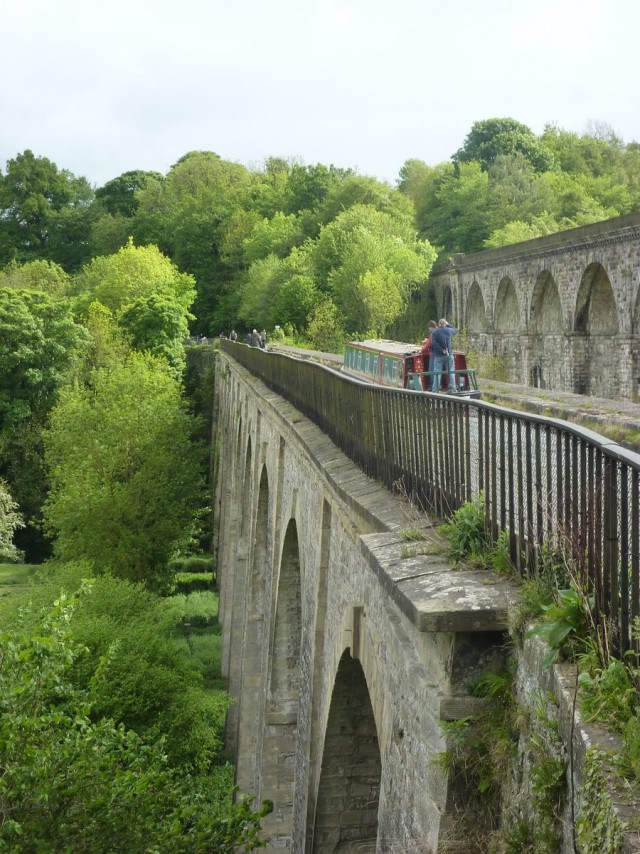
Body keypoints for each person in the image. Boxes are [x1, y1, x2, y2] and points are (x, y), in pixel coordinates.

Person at [430, 318, 458, 392]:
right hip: (449, 355)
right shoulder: (449, 330)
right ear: (445, 324)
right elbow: (456, 330)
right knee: (451, 371)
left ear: (439, 324)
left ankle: (435, 390)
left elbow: (433, 343)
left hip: (439, 356)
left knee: (437, 372)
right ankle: (453, 388)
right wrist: (448, 324)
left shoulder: (434, 332)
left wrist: (442, 350)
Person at [421, 320, 438, 390]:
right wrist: (427, 340)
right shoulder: (439, 331)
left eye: (429, 327)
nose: (429, 329)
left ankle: (431, 386)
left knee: (431, 370)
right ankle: (438, 385)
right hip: (440, 353)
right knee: (437, 370)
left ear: (431, 327)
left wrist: (421, 350)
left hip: (433, 354)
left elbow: (429, 344)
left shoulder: (433, 333)